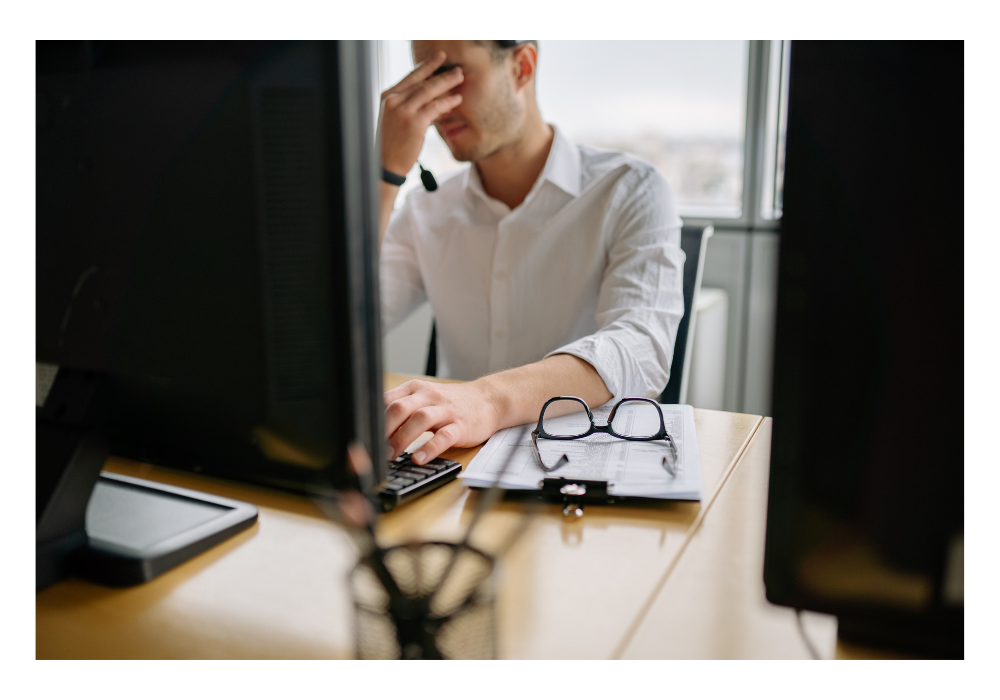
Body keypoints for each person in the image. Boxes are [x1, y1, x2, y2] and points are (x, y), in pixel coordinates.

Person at [377, 40, 685, 467]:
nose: (435, 105)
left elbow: (641, 347)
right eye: (421, 79)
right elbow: (336, 327)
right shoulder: (425, 210)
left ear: (522, 66)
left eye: (450, 75)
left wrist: (486, 399)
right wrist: (383, 173)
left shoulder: (630, 189)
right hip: (453, 470)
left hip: (581, 468)